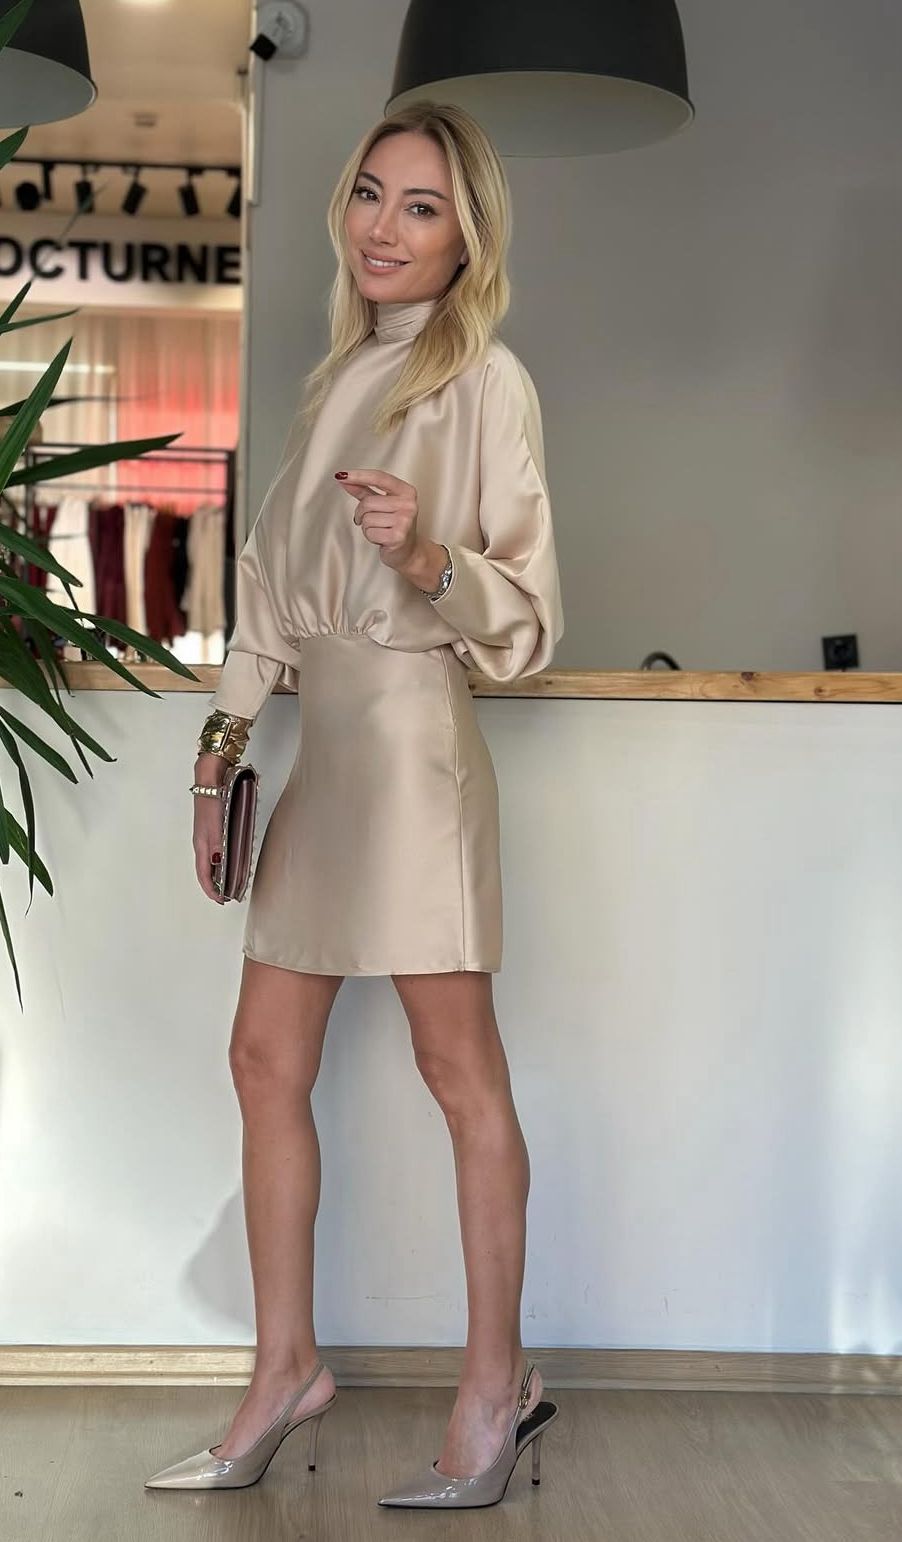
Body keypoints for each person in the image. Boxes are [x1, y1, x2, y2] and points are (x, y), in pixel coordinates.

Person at [145, 99, 564, 1510]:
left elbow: (530, 618)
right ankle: (285, 1368)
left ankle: (495, 1385)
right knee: (263, 1056)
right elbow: (269, 597)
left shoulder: (486, 382)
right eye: (371, 194)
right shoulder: (336, 375)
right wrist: (219, 744)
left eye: (421, 206)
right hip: (325, 762)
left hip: (417, 758)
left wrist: (428, 554)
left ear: (468, 239)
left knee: (460, 1073)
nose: (383, 226)